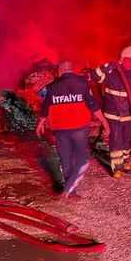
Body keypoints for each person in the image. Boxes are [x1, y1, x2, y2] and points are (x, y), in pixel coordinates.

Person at [36, 59, 109, 198]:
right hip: (79, 127)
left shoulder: (51, 86)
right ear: (71, 69)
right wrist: (104, 121)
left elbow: (44, 107)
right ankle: (71, 185)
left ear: (60, 70)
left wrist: (40, 123)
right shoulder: (82, 82)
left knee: (65, 158)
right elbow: (92, 104)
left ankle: (70, 189)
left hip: (60, 129)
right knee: (82, 155)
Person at [90, 46, 131, 178]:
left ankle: (125, 160)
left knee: (127, 140)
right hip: (113, 115)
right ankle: (117, 167)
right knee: (115, 140)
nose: (130, 63)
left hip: (129, 116)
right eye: (127, 60)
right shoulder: (111, 73)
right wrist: (105, 67)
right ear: (121, 60)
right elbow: (94, 76)